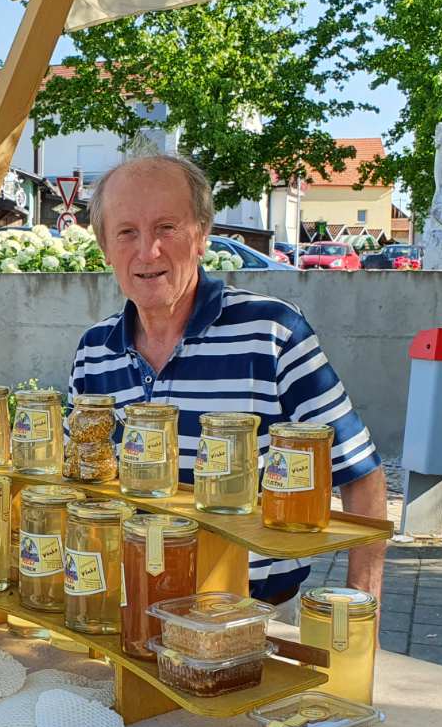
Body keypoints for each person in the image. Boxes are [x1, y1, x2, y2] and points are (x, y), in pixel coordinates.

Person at [71, 154, 386, 606]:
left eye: (166, 227)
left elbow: (359, 472)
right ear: (104, 247)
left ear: (202, 235)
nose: (148, 251)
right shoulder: (94, 350)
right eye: (126, 232)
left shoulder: (271, 332)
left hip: (249, 612)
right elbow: (78, 481)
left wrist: (362, 612)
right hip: (128, 604)